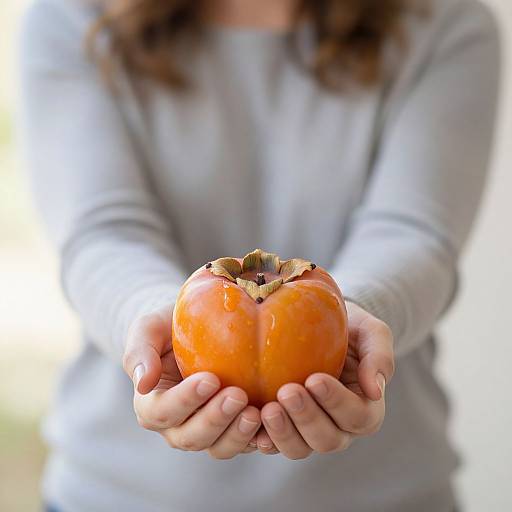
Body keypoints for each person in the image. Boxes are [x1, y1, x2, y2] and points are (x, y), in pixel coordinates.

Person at [18, 0, 500, 510]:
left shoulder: (445, 22)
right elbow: (102, 230)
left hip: (381, 493)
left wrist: (352, 315)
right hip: (119, 493)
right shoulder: (78, 15)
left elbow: (415, 232)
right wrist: (151, 321)